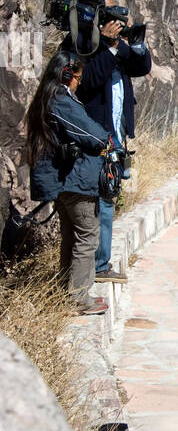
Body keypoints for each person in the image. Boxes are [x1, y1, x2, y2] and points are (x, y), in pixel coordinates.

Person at [66, 0, 151, 284]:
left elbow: (142, 66)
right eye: (109, 13)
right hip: (93, 140)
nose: (115, 19)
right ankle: (98, 268)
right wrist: (108, 45)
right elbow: (87, 83)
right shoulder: (81, 44)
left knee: (108, 198)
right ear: (94, 14)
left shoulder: (112, 45)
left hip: (114, 137)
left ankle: (98, 265)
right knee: (97, 202)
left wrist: (130, 43)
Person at [24, 51, 112, 315]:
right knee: (87, 236)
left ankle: (66, 294)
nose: (79, 82)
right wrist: (105, 140)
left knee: (72, 236)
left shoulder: (46, 99)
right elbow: (93, 135)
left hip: (64, 181)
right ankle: (78, 299)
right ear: (66, 74)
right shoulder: (60, 100)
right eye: (78, 77)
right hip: (76, 181)